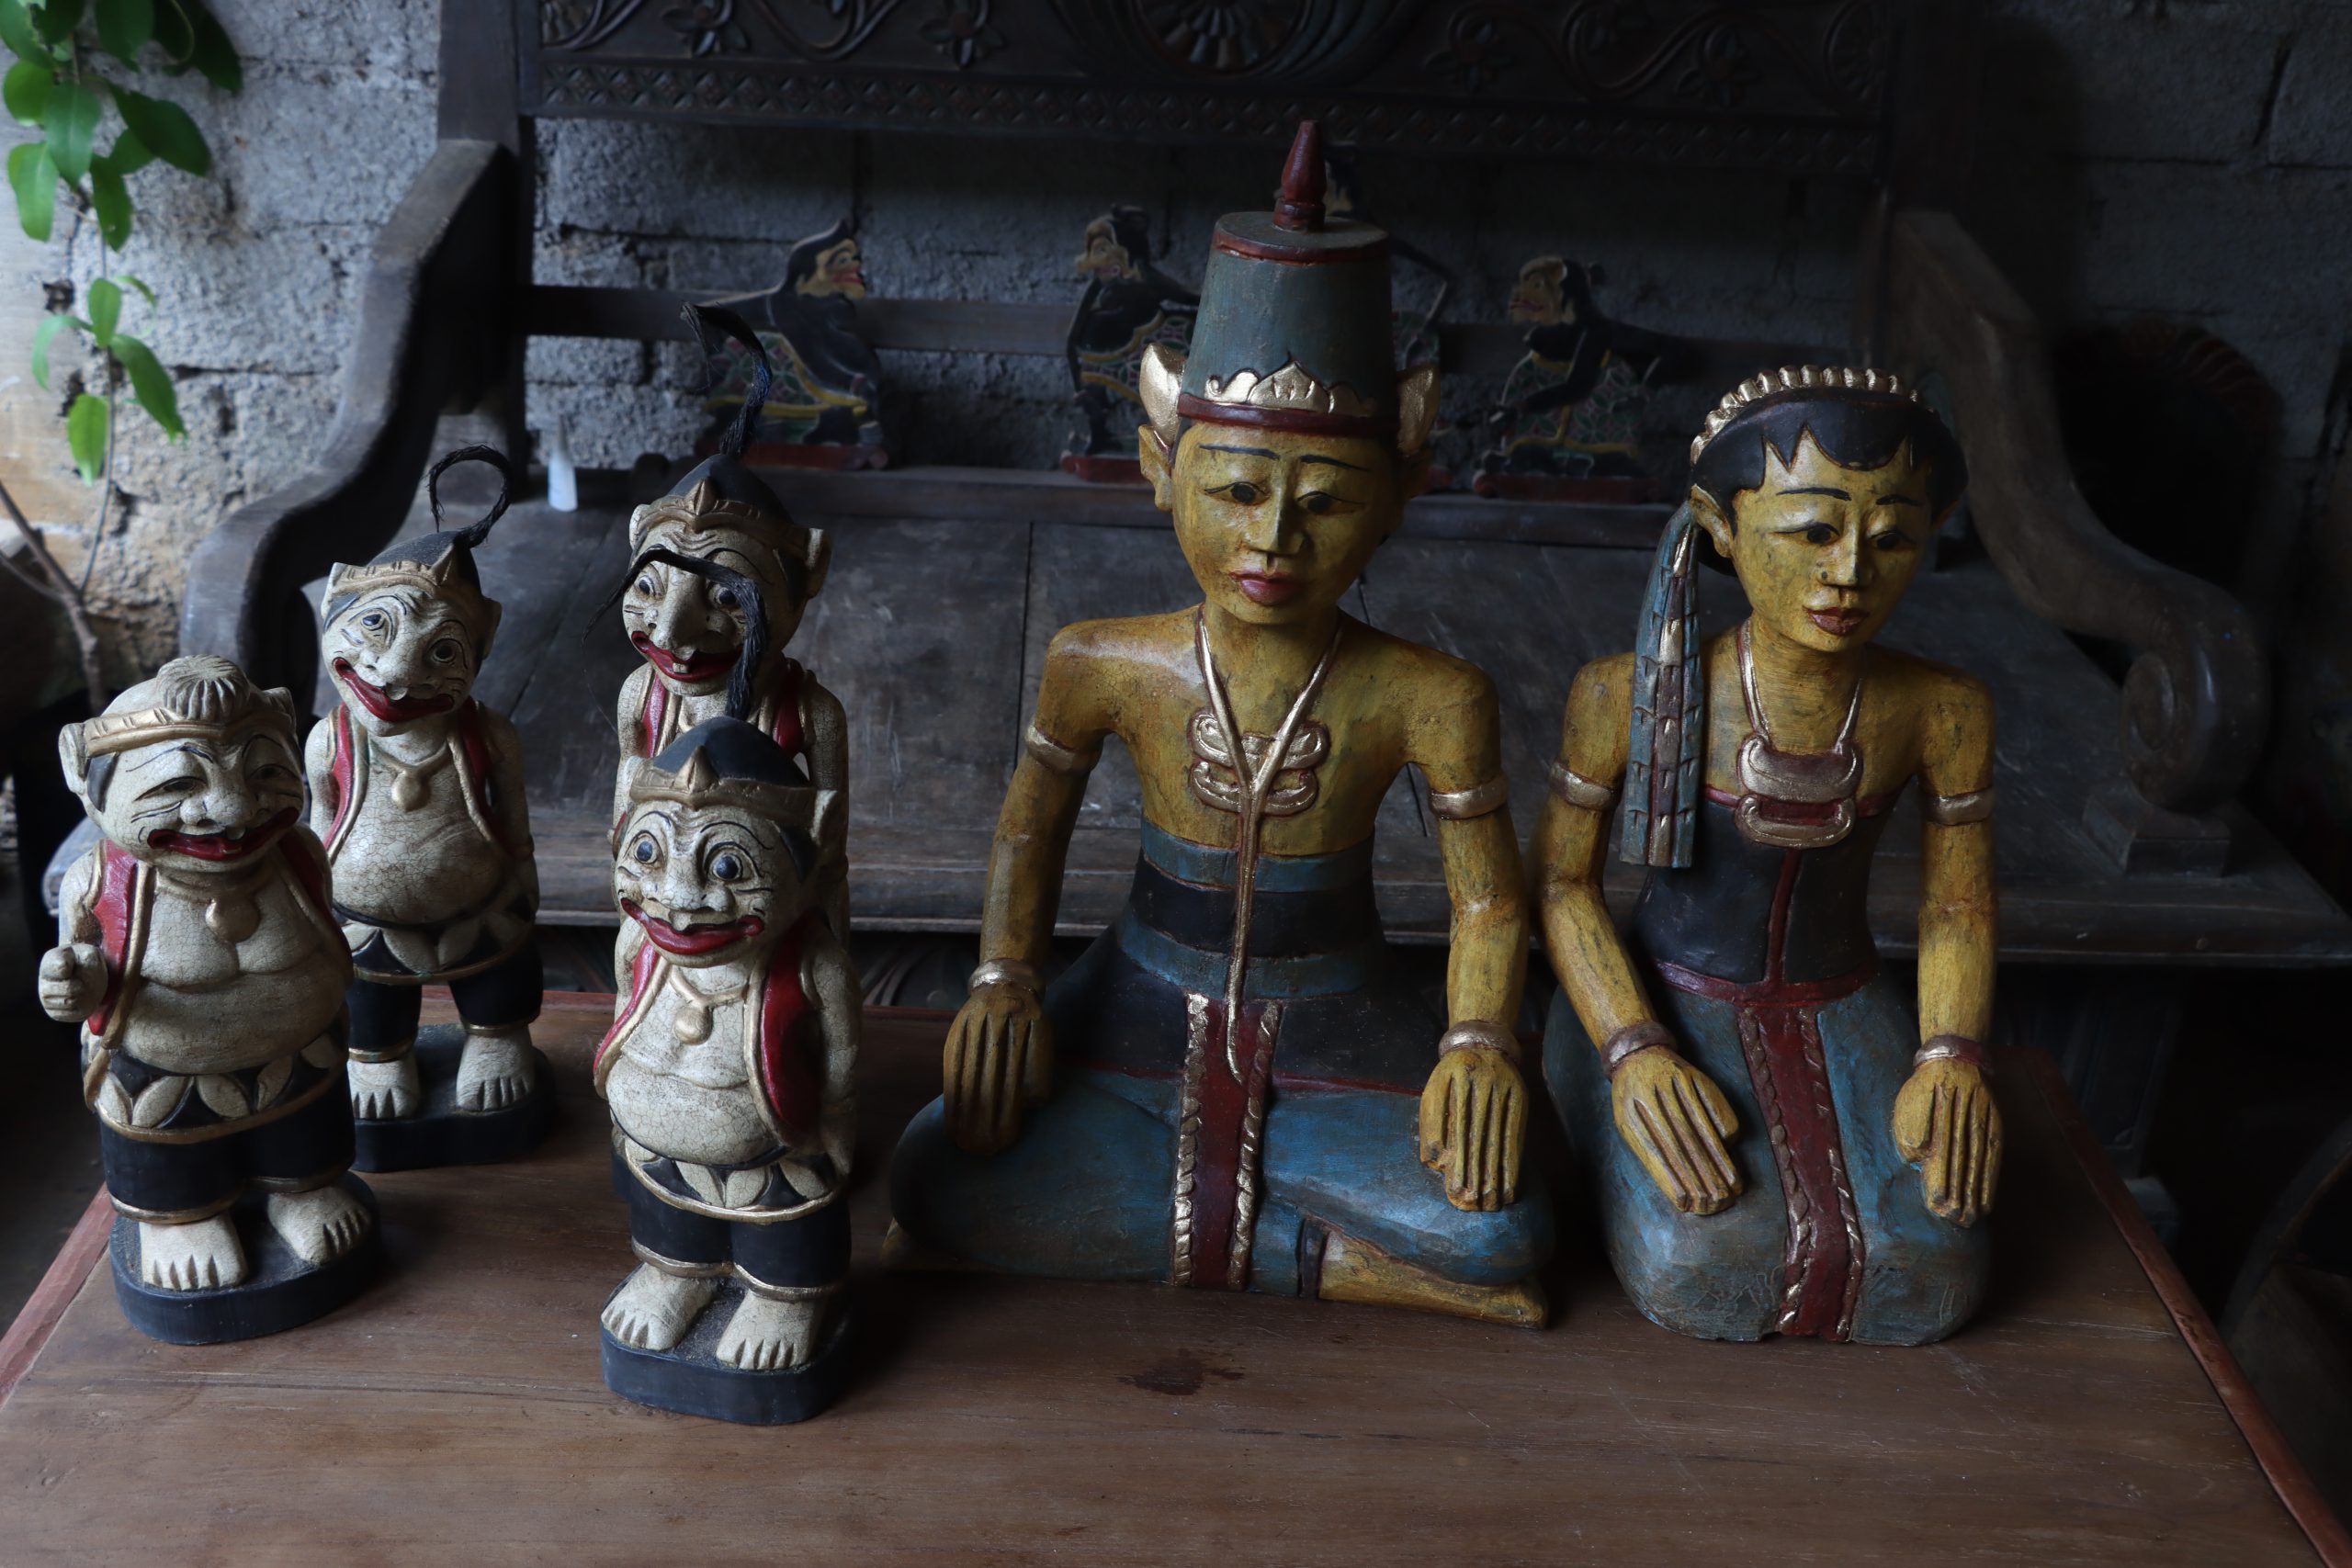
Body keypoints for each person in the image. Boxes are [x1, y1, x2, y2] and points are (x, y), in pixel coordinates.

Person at [888, 124, 1552, 1325]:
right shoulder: (1103, 662)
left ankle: (1148, 1213)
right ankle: (1337, 1261)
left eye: (1325, 504)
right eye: (1235, 490)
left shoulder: (1429, 693)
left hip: (1342, 1014)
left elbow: (1489, 903)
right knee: (934, 1174)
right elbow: (1028, 834)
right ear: (1161, 468)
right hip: (1134, 993)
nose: (1272, 541)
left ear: (1399, 496)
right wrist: (1003, 979)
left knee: (1503, 1221)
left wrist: (1477, 1041)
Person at [1535, 366, 1999, 1345]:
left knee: (1929, 1263)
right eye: (1812, 531)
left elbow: (1956, 906)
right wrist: (1632, 1049)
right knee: (1703, 1259)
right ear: (1720, 526)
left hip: (1843, 1000)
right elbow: (1564, 884)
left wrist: (1950, 1054)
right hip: (1662, 999)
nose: (1849, 573)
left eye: (1892, 539)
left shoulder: (1940, 708)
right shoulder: (1620, 694)